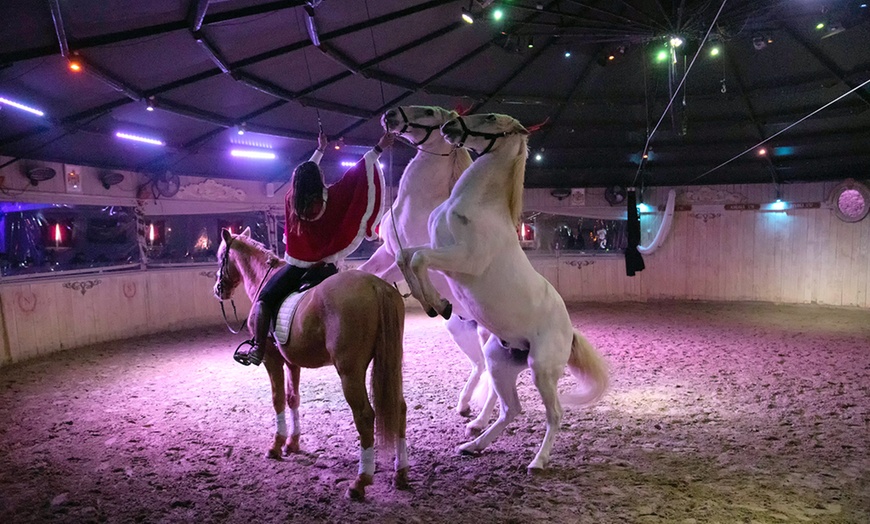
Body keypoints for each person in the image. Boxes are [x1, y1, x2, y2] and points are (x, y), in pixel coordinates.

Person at [234, 130, 396, 366]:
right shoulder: (332, 197)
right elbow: (356, 176)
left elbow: (304, 172)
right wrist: (378, 148)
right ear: (319, 179)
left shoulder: (291, 200)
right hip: (325, 268)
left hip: (297, 267)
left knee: (264, 300)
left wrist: (320, 150)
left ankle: (258, 347)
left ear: (296, 183)